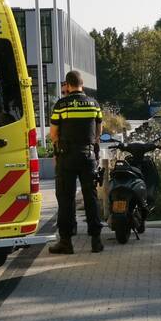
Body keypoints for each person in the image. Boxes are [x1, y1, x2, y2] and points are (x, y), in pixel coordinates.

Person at [48, 70, 104, 254]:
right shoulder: (93, 104)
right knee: (91, 197)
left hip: (67, 157)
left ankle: (66, 241)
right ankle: (96, 240)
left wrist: (59, 148)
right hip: (88, 157)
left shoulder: (62, 105)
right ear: (82, 84)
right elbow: (99, 131)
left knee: (66, 199)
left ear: (68, 84)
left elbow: (53, 134)